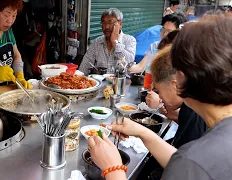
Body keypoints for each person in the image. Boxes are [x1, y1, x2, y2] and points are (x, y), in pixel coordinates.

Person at [88, 15, 232, 180]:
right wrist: (143, 132)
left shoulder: (194, 161)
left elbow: (188, 165)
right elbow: (180, 161)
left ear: (180, 79)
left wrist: (112, 169)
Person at [136, 46, 207, 180]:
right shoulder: (192, 103)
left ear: (175, 85)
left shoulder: (195, 113)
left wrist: (141, 132)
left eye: (159, 91)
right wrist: (173, 115)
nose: (160, 97)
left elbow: (182, 167)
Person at [128, 14, 180, 89]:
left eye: (169, 31)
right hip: (151, 88)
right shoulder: (154, 46)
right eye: (163, 30)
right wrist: (125, 66)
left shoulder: (179, 50)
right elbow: (141, 66)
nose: (165, 34)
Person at [79, 8, 136, 75]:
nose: (106, 27)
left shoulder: (130, 40)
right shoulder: (96, 42)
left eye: (110, 22)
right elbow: (84, 67)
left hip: (120, 84)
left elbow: (129, 62)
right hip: (99, 84)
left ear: (120, 24)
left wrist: (115, 42)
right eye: (103, 22)